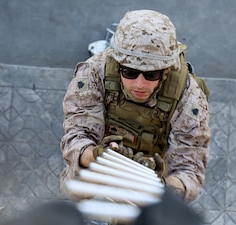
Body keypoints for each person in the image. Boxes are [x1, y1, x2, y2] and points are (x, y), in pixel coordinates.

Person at [60, 9, 211, 203]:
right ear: (117, 63)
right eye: (130, 72)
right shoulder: (95, 71)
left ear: (166, 71)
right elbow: (76, 136)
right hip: (103, 147)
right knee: (75, 190)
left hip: (151, 163)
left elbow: (190, 172)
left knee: (148, 210)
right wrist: (98, 156)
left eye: (151, 75)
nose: (139, 84)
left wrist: (160, 187)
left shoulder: (189, 96)